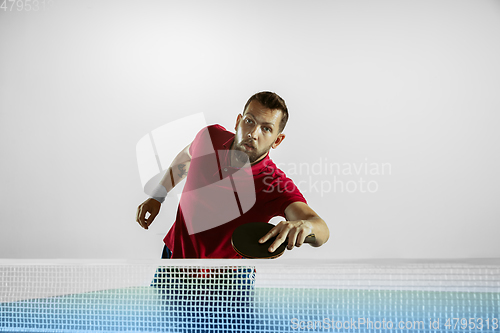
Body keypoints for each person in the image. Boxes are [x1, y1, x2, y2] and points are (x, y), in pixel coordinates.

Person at [136, 91, 329, 259]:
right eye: (249, 121)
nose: (253, 133)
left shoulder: (273, 183)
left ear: (277, 140)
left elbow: (320, 227)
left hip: (228, 281)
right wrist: (158, 196)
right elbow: (186, 158)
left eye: (266, 129)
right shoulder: (210, 138)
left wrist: (307, 227)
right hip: (175, 258)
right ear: (238, 122)